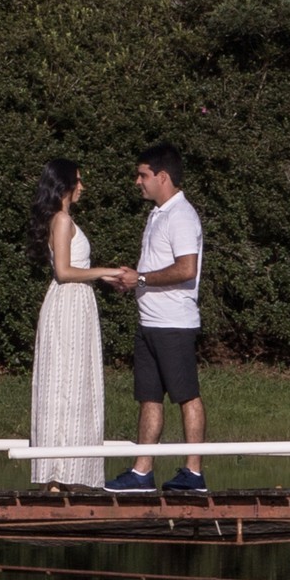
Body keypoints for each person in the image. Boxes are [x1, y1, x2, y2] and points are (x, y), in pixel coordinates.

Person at [104, 142, 207, 493]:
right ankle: (142, 471)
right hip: (150, 322)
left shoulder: (181, 215)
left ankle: (193, 473)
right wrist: (132, 280)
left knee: (186, 395)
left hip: (174, 323)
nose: (138, 181)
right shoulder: (159, 214)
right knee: (149, 397)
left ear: (162, 177)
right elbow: (156, 266)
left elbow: (186, 268)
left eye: (143, 175)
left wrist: (142, 278)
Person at [29, 158, 120, 489]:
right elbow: (64, 271)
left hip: (76, 304)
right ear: (63, 184)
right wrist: (104, 271)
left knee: (74, 382)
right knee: (64, 383)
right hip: (68, 303)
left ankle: (68, 473)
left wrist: (102, 277)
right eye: (77, 181)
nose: (82, 187)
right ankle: (58, 475)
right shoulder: (63, 219)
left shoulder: (63, 219)